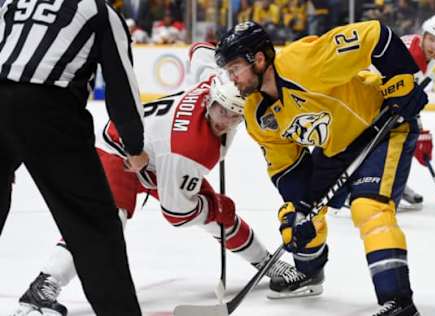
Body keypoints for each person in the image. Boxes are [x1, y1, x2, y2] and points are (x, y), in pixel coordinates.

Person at [11, 42, 303, 315]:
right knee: (107, 219)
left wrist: (216, 209)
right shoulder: (192, 149)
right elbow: (177, 213)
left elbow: (200, 49)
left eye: (234, 116)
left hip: (156, 154)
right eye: (221, 110)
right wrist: (214, 206)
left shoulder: (214, 84)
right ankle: (44, 286)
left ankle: (267, 264)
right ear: (210, 99)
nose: (224, 120)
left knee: (219, 216)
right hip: (120, 150)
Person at [215, 20, 429, 315]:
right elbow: (287, 167)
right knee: (303, 218)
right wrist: (297, 210)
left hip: (382, 125)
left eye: (235, 68)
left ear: (260, 59)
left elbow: (374, 35)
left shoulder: (305, 63)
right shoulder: (256, 114)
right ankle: (310, 272)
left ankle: (398, 301)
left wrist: (402, 79)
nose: (232, 78)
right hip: (336, 147)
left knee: (369, 207)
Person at [0, 0, 149, 315]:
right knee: (94, 224)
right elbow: (121, 85)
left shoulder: (19, 1)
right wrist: (135, 146)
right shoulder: (101, 13)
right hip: (48, 108)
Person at [399, 15, 435, 210]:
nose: (433, 46)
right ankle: (360, 188)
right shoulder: (410, 53)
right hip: (371, 92)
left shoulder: (431, 60)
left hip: (396, 99)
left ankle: (397, 186)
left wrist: (420, 130)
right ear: (423, 36)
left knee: (408, 138)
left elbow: (414, 97)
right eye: (431, 39)